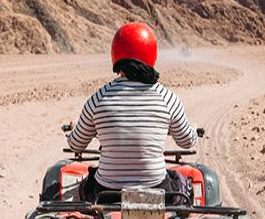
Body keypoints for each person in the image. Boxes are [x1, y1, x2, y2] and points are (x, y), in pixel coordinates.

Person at [66, 22, 197, 202]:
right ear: (152, 55)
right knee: (184, 184)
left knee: (84, 185)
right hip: (158, 191)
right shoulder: (167, 98)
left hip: (106, 195)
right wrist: (193, 130)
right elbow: (186, 141)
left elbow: (76, 145)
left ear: (115, 55)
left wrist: (75, 130)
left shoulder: (98, 99)